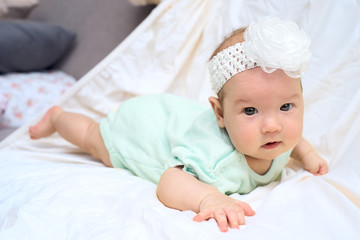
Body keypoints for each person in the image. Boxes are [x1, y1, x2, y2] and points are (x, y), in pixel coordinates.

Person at [29, 17, 328, 232]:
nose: (272, 126)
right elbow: (169, 182)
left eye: (286, 106)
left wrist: (307, 154)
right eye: (250, 110)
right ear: (219, 114)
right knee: (91, 136)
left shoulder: (275, 138)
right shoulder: (214, 158)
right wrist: (209, 197)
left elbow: (293, 140)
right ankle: (57, 117)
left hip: (174, 116)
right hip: (141, 129)